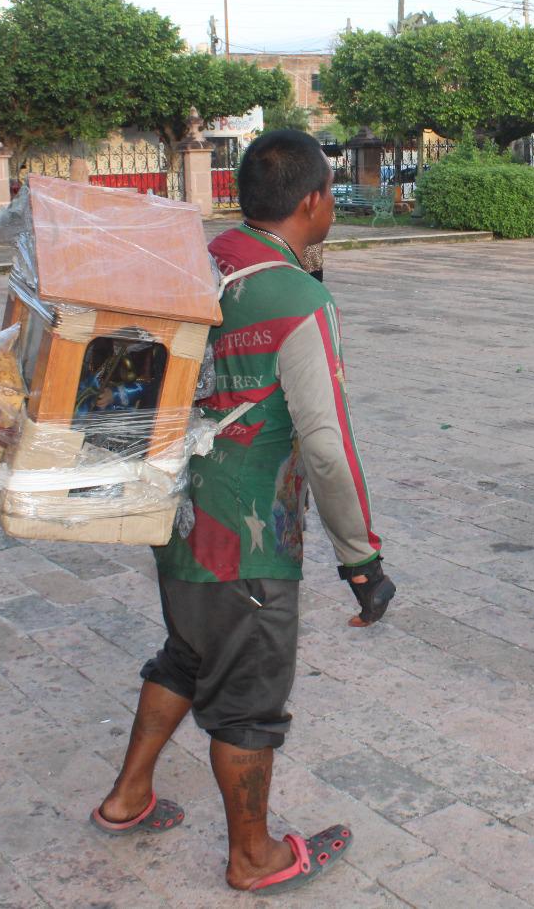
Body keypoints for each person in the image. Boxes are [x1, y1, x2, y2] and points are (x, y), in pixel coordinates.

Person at [90, 130, 394, 893]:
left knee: (186, 655)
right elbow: (325, 447)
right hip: (248, 540)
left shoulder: (198, 263)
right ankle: (253, 855)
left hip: (177, 517)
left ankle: (128, 797)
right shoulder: (298, 296)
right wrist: (361, 559)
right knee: (250, 700)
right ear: (316, 200)